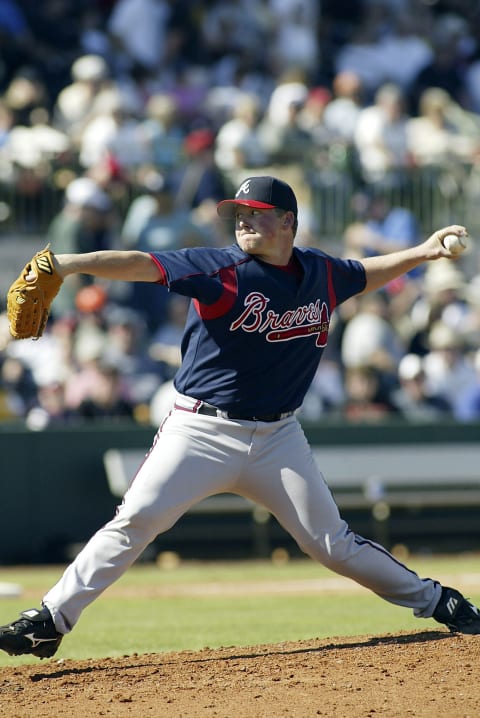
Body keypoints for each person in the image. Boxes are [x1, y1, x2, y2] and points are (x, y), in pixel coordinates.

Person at [1, 175, 479, 660]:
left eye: (257, 213)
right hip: (200, 431)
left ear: (287, 222)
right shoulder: (221, 269)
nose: (245, 221)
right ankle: (50, 621)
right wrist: (66, 264)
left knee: (332, 544)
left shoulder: (321, 273)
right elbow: (143, 265)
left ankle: (440, 601)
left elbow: (364, 272)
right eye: (240, 214)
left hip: (278, 436)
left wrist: (423, 252)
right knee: (136, 520)